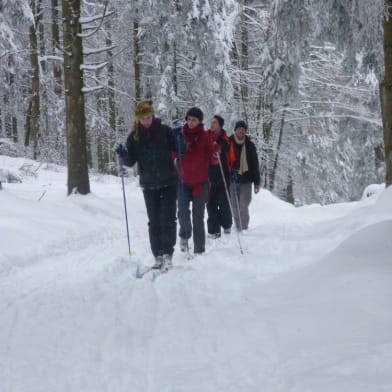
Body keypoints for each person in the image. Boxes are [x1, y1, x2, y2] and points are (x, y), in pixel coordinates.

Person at [115, 99, 185, 269]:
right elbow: (130, 161)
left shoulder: (165, 130)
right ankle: (158, 255)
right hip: (148, 185)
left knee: (168, 219)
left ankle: (168, 253)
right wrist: (123, 154)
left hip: (168, 182)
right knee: (154, 222)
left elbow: (182, 151)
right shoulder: (134, 137)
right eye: (143, 117)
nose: (146, 120)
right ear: (138, 119)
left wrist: (178, 136)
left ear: (153, 115)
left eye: (149, 116)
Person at [177, 107, 219, 255]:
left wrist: (215, 155)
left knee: (198, 216)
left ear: (199, 121)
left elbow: (211, 156)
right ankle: (184, 235)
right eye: (188, 119)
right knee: (182, 212)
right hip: (183, 181)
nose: (191, 122)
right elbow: (174, 153)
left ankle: (199, 250)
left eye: (194, 119)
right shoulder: (180, 135)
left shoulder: (205, 136)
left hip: (200, 183)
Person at [206, 115, 235, 238]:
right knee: (211, 205)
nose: (212, 124)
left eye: (215, 122)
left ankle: (227, 225)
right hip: (209, 178)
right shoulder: (206, 138)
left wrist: (233, 172)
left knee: (224, 204)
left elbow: (233, 159)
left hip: (223, 177)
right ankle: (214, 230)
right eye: (211, 122)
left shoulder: (226, 141)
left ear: (220, 125)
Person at [229, 120, 261, 231]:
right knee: (234, 205)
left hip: (246, 179)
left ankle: (244, 226)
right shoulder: (229, 143)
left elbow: (255, 164)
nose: (241, 131)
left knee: (244, 203)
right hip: (232, 179)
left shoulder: (250, 145)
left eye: (243, 129)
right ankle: (238, 225)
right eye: (239, 129)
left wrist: (257, 182)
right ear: (235, 130)